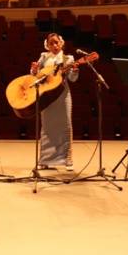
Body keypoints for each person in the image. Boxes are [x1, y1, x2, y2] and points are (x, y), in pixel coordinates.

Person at [29, 32, 78, 171]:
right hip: (47, 96)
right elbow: (36, 76)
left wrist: (74, 70)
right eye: (51, 43)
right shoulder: (43, 57)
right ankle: (45, 160)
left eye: (56, 42)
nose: (54, 45)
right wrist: (33, 70)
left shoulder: (68, 58)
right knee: (47, 127)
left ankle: (67, 160)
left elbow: (73, 79)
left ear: (61, 43)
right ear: (47, 45)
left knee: (66, 126)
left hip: (63, 95)